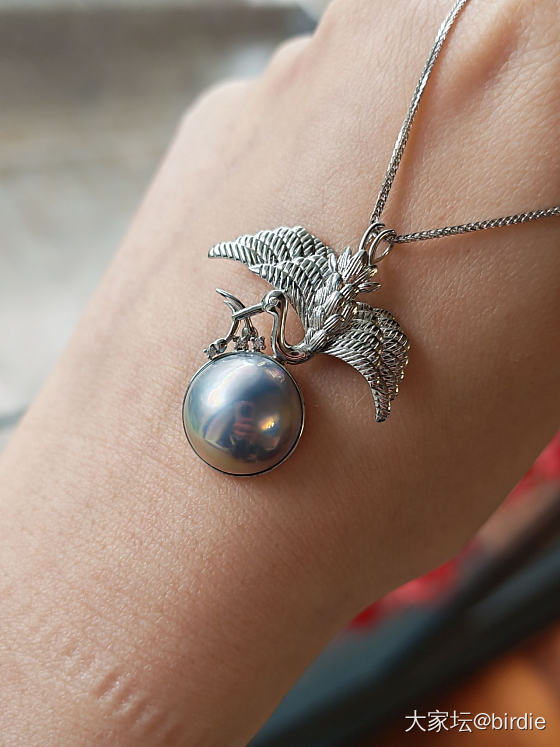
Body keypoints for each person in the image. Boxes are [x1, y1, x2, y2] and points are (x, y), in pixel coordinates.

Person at [1, 0, 558, 743]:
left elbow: (377, 383)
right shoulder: (294, 270)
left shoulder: (364, 331)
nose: (359, 276)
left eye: (361, 280)